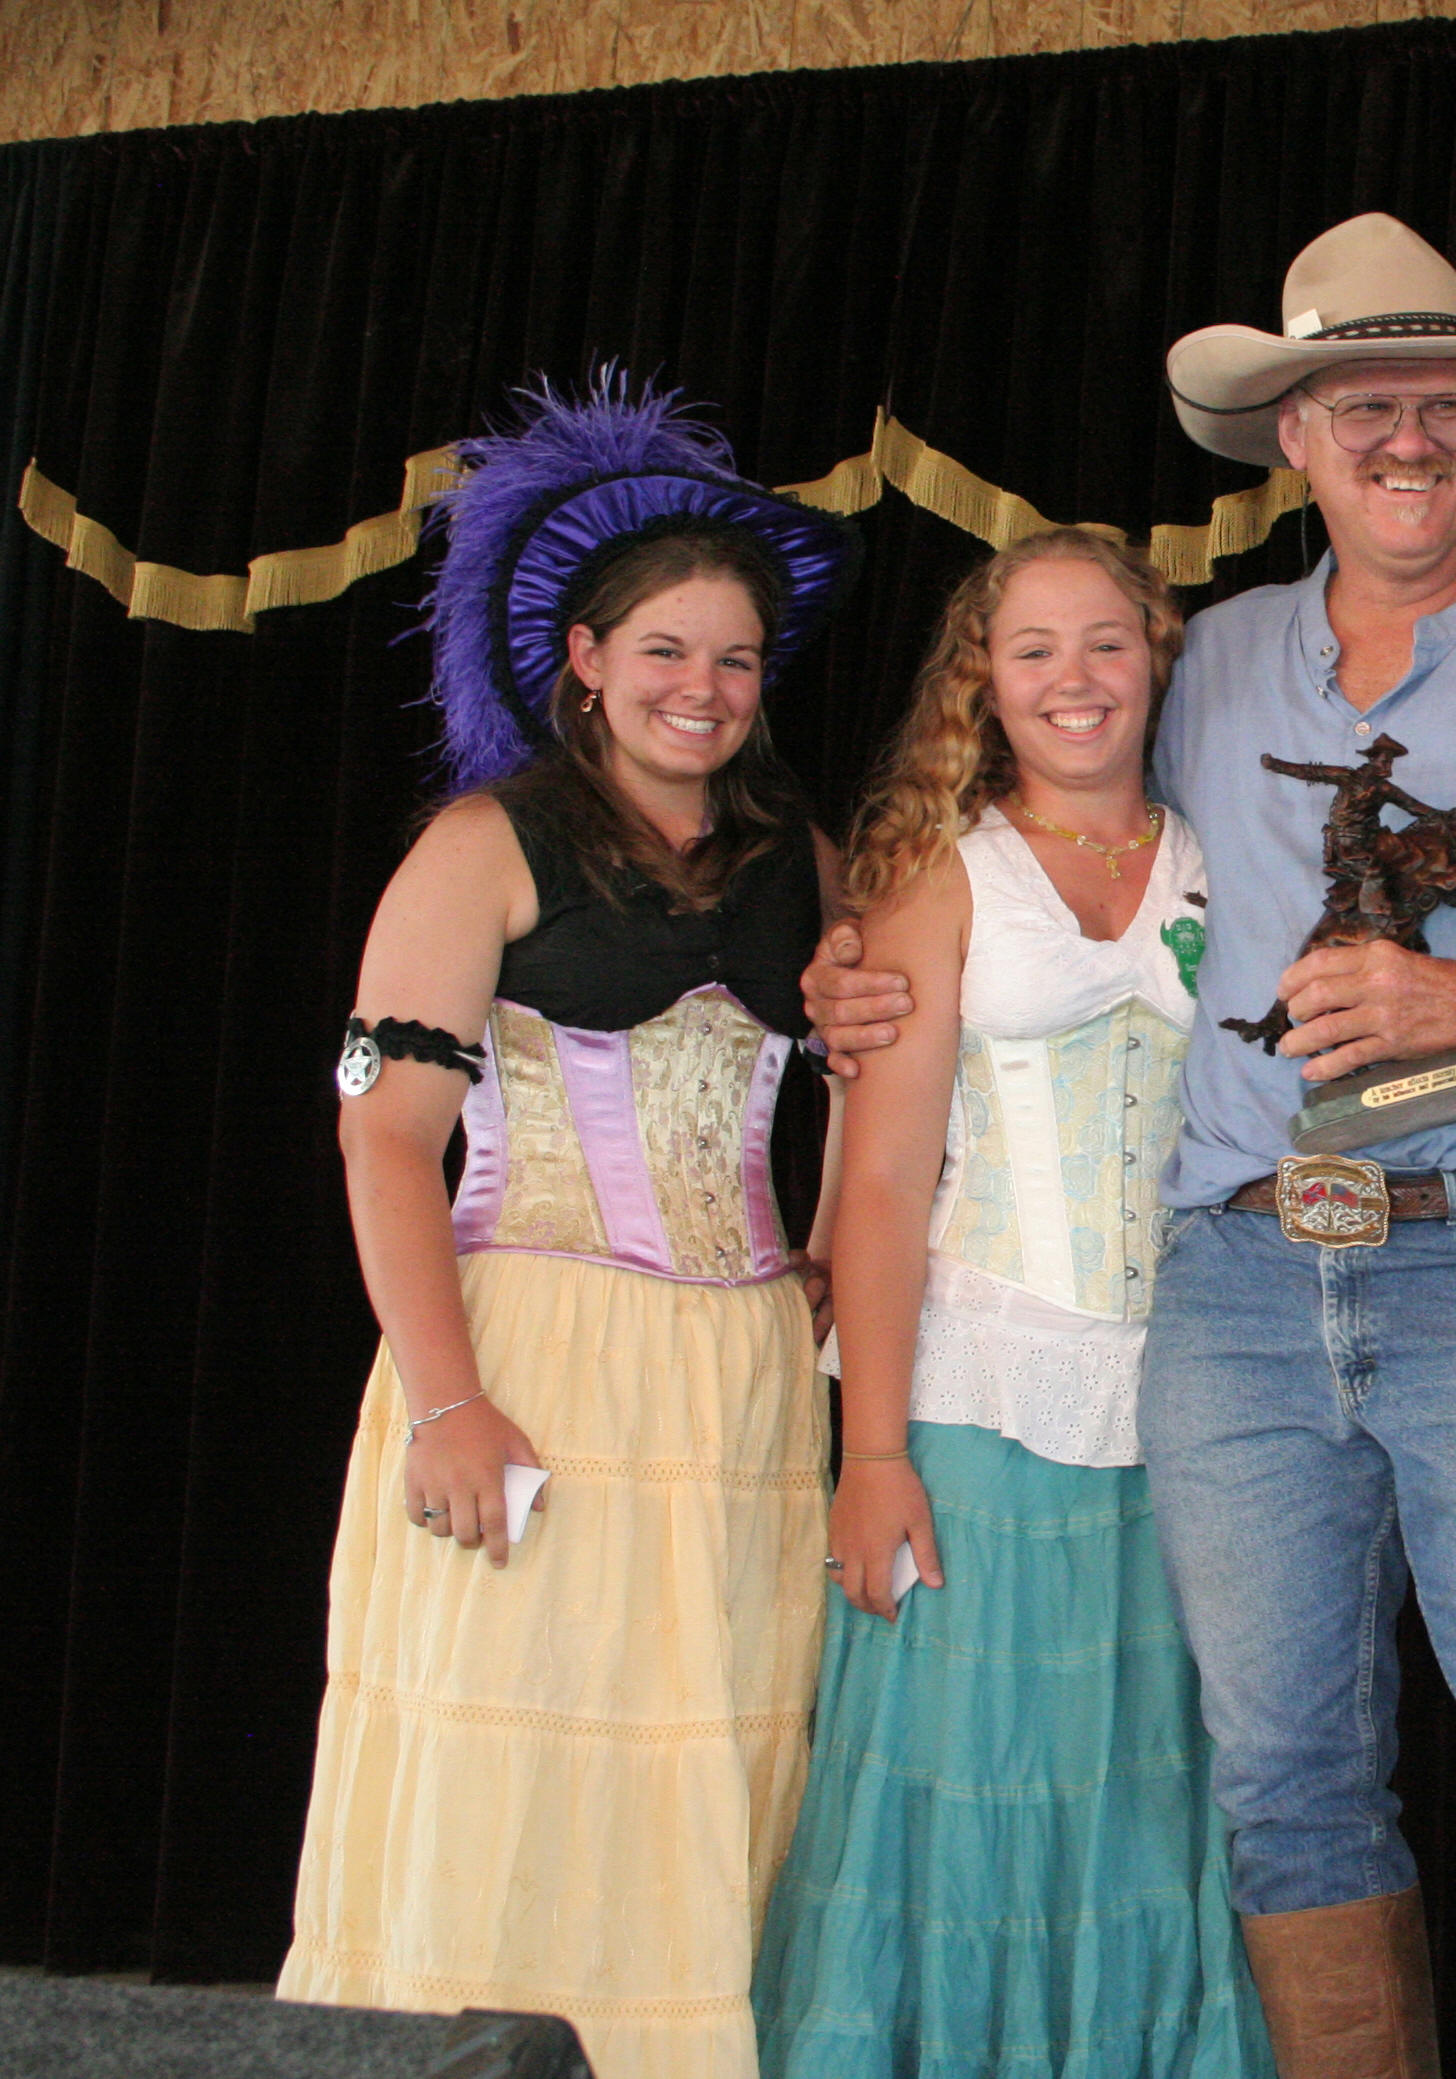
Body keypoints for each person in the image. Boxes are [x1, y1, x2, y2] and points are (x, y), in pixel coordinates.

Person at [806, 215, 1456, 2077]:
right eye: (1360, 409)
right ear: (1294, 442)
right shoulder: (1220, 661)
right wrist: (865, 953)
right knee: (1280, 1783)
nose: (1404, 440)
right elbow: (1042, 815)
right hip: (1240, 1282)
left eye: (1440, 405)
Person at [277, 382, 860, 2079]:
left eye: (737, 659)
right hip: (530, 1358)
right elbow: (386, 1139)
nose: (705, 688)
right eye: (667, 650)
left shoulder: (801, 854)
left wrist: (826, 1254)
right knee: (508, 1760)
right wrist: (450, 1403)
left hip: (740, 1379)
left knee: (701, 1765)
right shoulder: (486, 844)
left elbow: (884, 1071)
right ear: (588, 658)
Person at [749, 529, 1273, 2078]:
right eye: (1032, 648)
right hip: (979, 1402)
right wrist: (871, 1455)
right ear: (983, 679)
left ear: (1156, 657)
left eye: (1104, 641)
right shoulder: (942, 875)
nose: (1073, 678)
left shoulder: (1223, 854)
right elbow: (881, 1187)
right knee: (970, 1773)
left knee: (1153, 1792)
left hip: (1195, 1401)